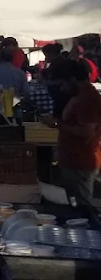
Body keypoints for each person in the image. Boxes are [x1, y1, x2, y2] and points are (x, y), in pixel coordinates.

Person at [47, 59, 101, 203]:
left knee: (83, 206)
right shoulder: (78, 95)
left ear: (71, 79)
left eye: (62, 84)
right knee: (74, 203)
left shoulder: (88, 98)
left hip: (82, 160)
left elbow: (87, 132)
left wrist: (58, 124)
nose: (61, 89)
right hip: (72, 159)